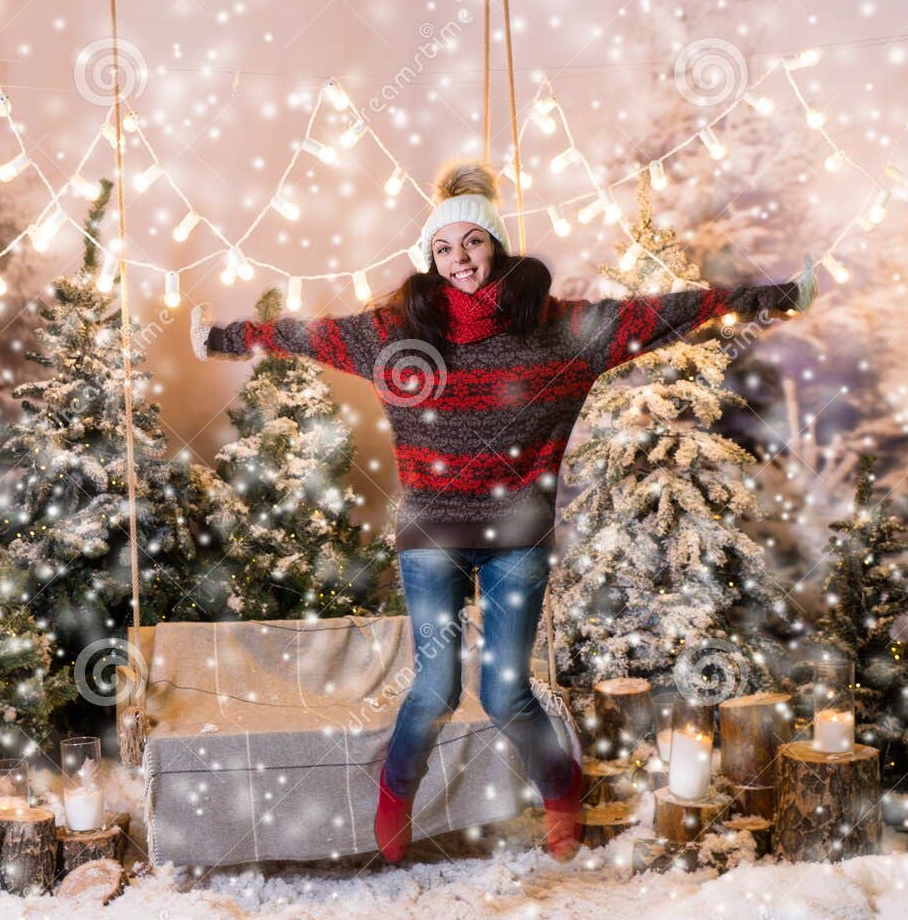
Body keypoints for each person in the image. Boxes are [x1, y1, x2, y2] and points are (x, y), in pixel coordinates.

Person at [190, 160, 816, 864]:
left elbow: (664, 312)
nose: (460, 261)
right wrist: (224, 338)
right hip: (431, 531)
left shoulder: (562, 331)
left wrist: (775, 296)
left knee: (505, 692)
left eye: (473, 244)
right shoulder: (396, 332)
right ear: (431, 257)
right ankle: (395, 792)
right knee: (433, 688)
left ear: (497, 245)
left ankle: (561, 789)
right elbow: (306, 336)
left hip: (517, 532)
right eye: (444, 249)